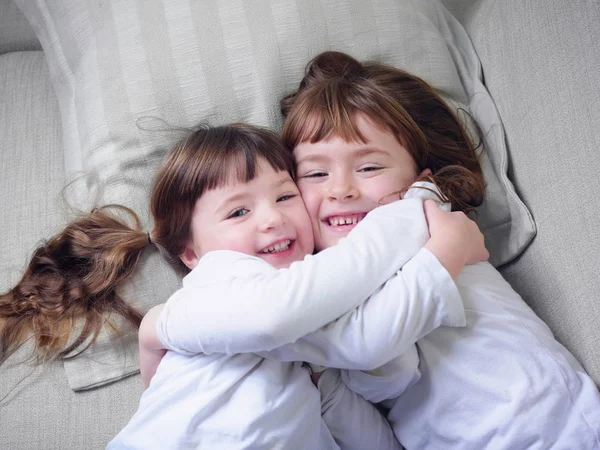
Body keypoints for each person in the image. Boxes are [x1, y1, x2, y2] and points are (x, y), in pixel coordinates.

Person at [149, 52, 600, 449]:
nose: (342, 190)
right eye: (314, 175)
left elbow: (368, 345)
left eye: (368, 167)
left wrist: (440, 242)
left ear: (417, 175)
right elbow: (384, 371)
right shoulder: (313, 282)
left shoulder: (415, 214)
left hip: (550, 424)